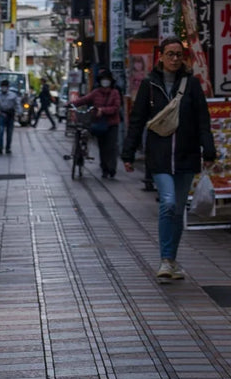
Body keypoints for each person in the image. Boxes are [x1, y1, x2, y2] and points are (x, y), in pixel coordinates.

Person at [121, 36, 216, 281]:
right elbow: (138, 120)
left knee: (177, 210)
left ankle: (171, 259)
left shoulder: (192, 85)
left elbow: (202, 120)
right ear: (160, 57)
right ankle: (165, 259)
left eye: (178, 54)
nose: (174, 59)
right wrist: (128, 153)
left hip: (187, 154)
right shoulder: (149, 85)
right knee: (169, 202)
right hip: (160, 155)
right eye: (170, 54)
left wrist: (209, 150)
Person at [77, 69, 123, 178]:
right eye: (103, 79)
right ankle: (104, 168)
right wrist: (71, 103)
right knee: (102, 147)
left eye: (107, 79)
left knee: (111, 147)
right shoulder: (96, 92)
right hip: (100, 124)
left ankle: (112, 168)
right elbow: (84, 100)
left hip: (112, 124)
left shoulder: (115, 92)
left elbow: (116, 107)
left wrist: (102, 110)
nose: (105, 81)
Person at [0, 81, 17, 154]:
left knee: (9, 132)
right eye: (3, 86)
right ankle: (0, 147)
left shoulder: (13, 95)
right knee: (1, 131)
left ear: (8, 87)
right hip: (1, 114)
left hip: (10, 115)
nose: (4, 88)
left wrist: (18, 113)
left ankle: (8, 147)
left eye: (5, 86)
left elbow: (17, 104)